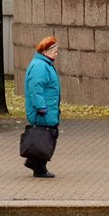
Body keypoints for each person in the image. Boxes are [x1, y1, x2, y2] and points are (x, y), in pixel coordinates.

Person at [23, 36, 61, 178]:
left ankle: (35, 162)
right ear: (45, 51)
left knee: (48, 134)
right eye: (54, 50)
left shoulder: (45, 64)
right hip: (43, 110)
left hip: (48, 108)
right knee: (46, 136)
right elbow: (35, 88)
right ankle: (38, 166)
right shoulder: (40, 66)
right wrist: (41, 107)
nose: (56, 53)